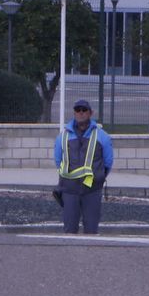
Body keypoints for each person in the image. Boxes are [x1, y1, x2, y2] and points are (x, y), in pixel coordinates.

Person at [53, 99, 114, 234]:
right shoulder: (62, 137)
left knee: (91, 231)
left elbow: (108, 162)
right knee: (69, 231)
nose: (81, 113)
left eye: (84, 110)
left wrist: (98, 177)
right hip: (69, 190)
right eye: (78, 110)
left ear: (90, 113)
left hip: (92, 190)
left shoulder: (102, 137)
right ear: (74, 113)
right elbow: (58, 161)